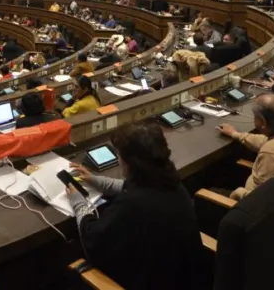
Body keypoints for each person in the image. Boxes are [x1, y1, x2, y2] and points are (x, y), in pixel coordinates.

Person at [65, 124, 204, 290]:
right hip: (185, 277)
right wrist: (95, 180)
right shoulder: (171, 184)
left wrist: (78, 201)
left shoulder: (131, 204)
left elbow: (92, 238)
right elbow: (129, 186)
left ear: (130, 163)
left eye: (119, 156)